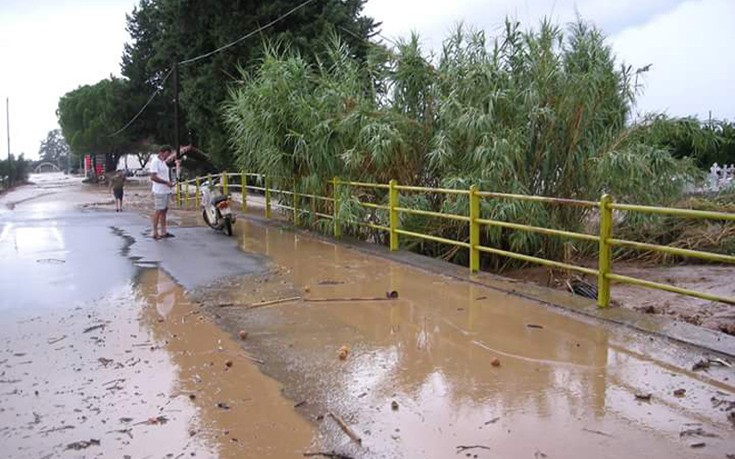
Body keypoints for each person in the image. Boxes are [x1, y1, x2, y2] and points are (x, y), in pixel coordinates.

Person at [149, 145, 176, 240]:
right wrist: (165, 182)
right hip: (159, 190)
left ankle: (163, 231)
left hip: (166, 190)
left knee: (164, 210)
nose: (167, 156)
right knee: (158, 210)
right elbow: (153, 177)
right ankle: (155, 231)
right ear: (162, 152)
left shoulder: (163, 162)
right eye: (167, 154)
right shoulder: (155, 162)